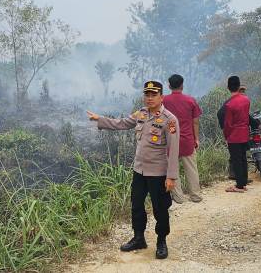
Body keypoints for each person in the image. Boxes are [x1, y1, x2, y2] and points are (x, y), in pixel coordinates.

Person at [86, 81, 179, 260]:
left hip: (158, 173)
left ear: (162, 97)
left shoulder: (170, 119)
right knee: (136, 205)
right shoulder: (141, 113)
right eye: (147, 95)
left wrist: (171, 177)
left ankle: (161, 241)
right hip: (139, 170)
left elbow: (174, 150)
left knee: (160, 208)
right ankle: (138, 238)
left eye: (153, 95)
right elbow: (121, 123)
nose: (149, 98)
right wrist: (100, 119)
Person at [163, 74, 203, 203]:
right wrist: (196, 139)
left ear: (169, 86)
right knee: (191, 169)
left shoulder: (164, 101)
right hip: (187, 140)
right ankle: (195, 196)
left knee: (172, 169)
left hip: (170, 141)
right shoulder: (190, 101)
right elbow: (195, 122)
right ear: (182, 85)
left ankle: (179, 197)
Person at [223, 76, 251, 193]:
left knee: (236, 160)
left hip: (234, 136)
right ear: (239, 86)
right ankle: (243, 182)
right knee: (243, 158)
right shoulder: (246, 100)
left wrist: (226, 136)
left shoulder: (229, 105)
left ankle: (239, 186)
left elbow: (228, 124)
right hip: (245, 133)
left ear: (228, 88)